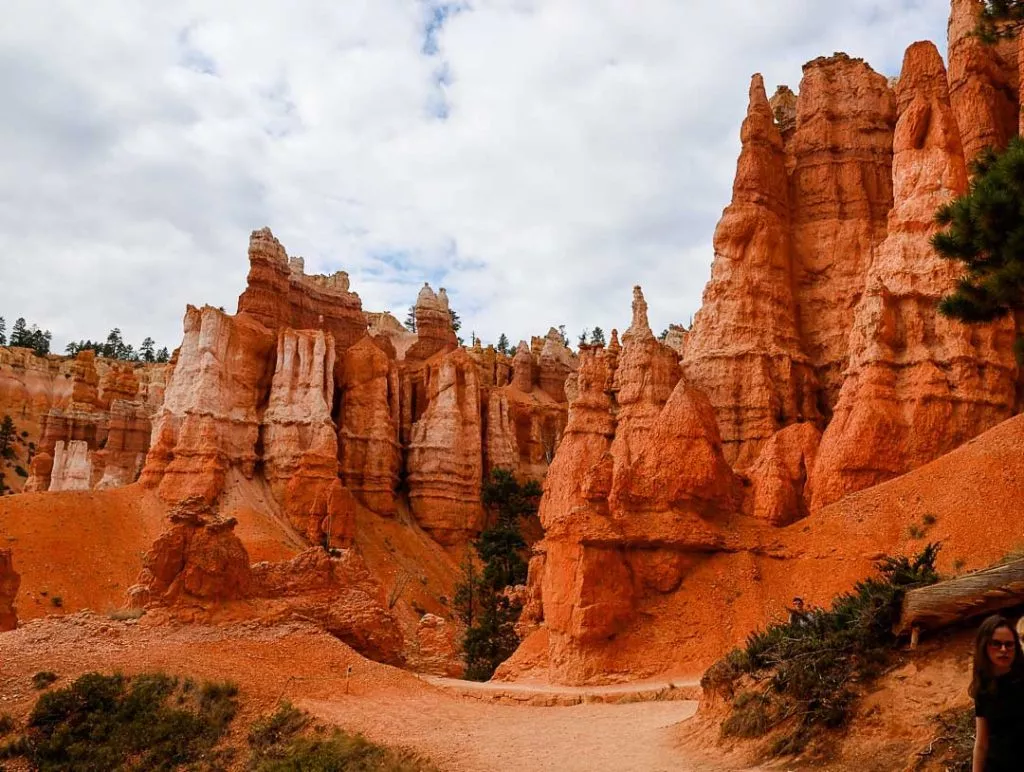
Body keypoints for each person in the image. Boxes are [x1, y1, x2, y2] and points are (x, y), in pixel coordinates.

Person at [970, 615, 1024, 771]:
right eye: (996, 644)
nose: (1003, 650)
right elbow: (981, 743)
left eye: (1009, 644)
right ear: (984, 646)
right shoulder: (984, 687)